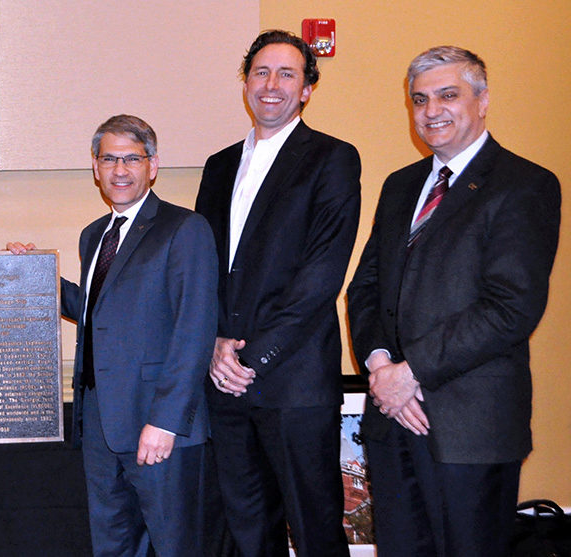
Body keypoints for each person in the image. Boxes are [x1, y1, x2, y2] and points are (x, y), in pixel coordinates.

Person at [347, 46, 560, 557]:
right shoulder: (400, 186)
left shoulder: (525, 184)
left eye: (448, 95)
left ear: (483, 101)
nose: (431, 111)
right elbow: (365, 288)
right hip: (392, 417)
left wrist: (410, 372)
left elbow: (511, 306)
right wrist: (380, 367)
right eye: (419, 100)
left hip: (471, 429)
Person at [10, 114, 217, 555]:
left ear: (153, 165)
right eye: (109, 159)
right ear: (95, 168)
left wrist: (165, 421)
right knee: (114, 546)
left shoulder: (184, 229)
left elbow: (194, 330)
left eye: (131, 159)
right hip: (101, 425)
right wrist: (33, 274)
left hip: (159, 425)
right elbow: (95, 311)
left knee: (174, 545)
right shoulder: (94, 235)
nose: (119, 170)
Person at [193, 30, 360, 556]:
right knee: (248, 531)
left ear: (308, 89)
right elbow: (205, 268)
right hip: (225, 382)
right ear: (246, 82)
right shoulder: (219, 165)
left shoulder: (332, 159)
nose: (272, 85)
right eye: (261, 72)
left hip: (293, 382)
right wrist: (216, 344)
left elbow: (320, 277)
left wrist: (255, 357)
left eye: (287, 74)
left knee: (315, 532)